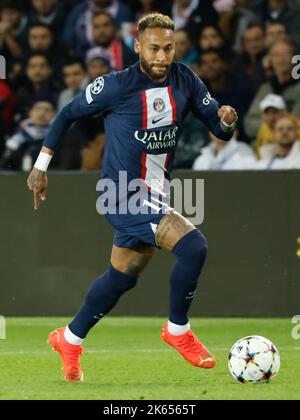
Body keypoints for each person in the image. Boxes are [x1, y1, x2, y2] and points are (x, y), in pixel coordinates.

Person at [27, 13, 238, 382]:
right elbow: (65, 115)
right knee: (194, 246)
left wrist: (227, 120)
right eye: (154, 48)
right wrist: (40, 167)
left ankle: (70, 338)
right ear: (138, 46)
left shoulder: (185, 79)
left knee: (123, 276)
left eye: (168, 49)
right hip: (121, 193)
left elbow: (218, 128)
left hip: (156, 193)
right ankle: (177, 331)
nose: (161, 57)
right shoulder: (115, 86)